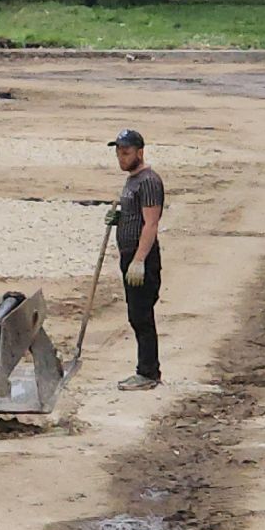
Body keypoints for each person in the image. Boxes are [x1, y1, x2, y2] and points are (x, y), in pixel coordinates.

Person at [107, 129, 164, 391]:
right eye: (118, 151)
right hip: (129, 256)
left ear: (140, 152)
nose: (121, 157)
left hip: (141, 258)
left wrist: (139, 260)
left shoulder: (149, 181)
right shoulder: (132, 180)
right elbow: (137, 217)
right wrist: (120, 220)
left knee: (141, 316)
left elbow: (151, 224)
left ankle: (148, 373)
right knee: (135, 314)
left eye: (126, 152)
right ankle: (147, 371)